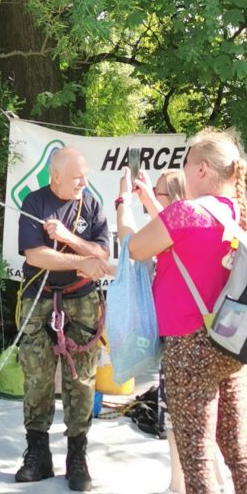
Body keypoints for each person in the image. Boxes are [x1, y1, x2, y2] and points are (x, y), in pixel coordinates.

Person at [121, 129, 247, 494]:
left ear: (202, 169)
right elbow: (185, 241)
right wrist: (152, 200)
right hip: (230, 342)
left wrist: (122, 202)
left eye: (187, 163)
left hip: (190, 347)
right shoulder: (237, 213)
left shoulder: (185, 213)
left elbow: (135, 248)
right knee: (238, 451)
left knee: (197, 459)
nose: (185, 171)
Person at [15, 146, 111, 492]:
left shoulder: (92, 205)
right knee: (37, 377)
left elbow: (102, 254)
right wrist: (79, 261)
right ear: (55, 176)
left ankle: (77, 456)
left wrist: (69, 239)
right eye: (76, 177)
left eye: (85, 176)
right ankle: (38, 453)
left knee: (81, 379)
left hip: (82, 299)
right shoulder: (35, 203)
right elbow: (36, 255)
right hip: (40, 297)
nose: (83, 182)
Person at [116, 168, 191, 494]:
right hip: (203, 336)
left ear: (173, 198)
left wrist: (122, 200)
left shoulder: (175, 225)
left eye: (158, 193)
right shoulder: (194, 224)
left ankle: (179, 485)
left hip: (180, 337)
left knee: (176, 417)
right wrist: (149, 196)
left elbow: (129, 244)